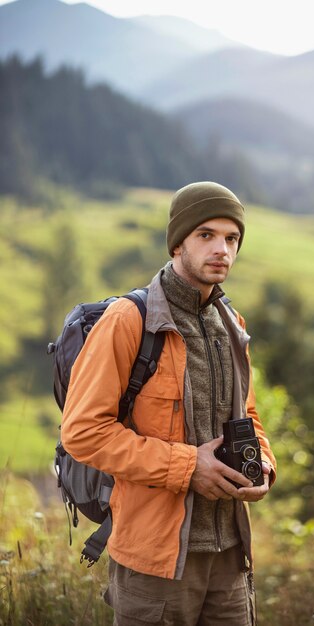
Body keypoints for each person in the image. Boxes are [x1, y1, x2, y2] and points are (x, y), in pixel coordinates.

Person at [61, 181, 277, 626]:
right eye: (206, 235)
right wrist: (187, 467)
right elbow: (83, 432)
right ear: (178, 241)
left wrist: (265, 466)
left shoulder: (231, 324)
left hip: (231, 559)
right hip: (154, 565)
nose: (222, 249)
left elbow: (248, 416)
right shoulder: (129, 320)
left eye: (232, 238)